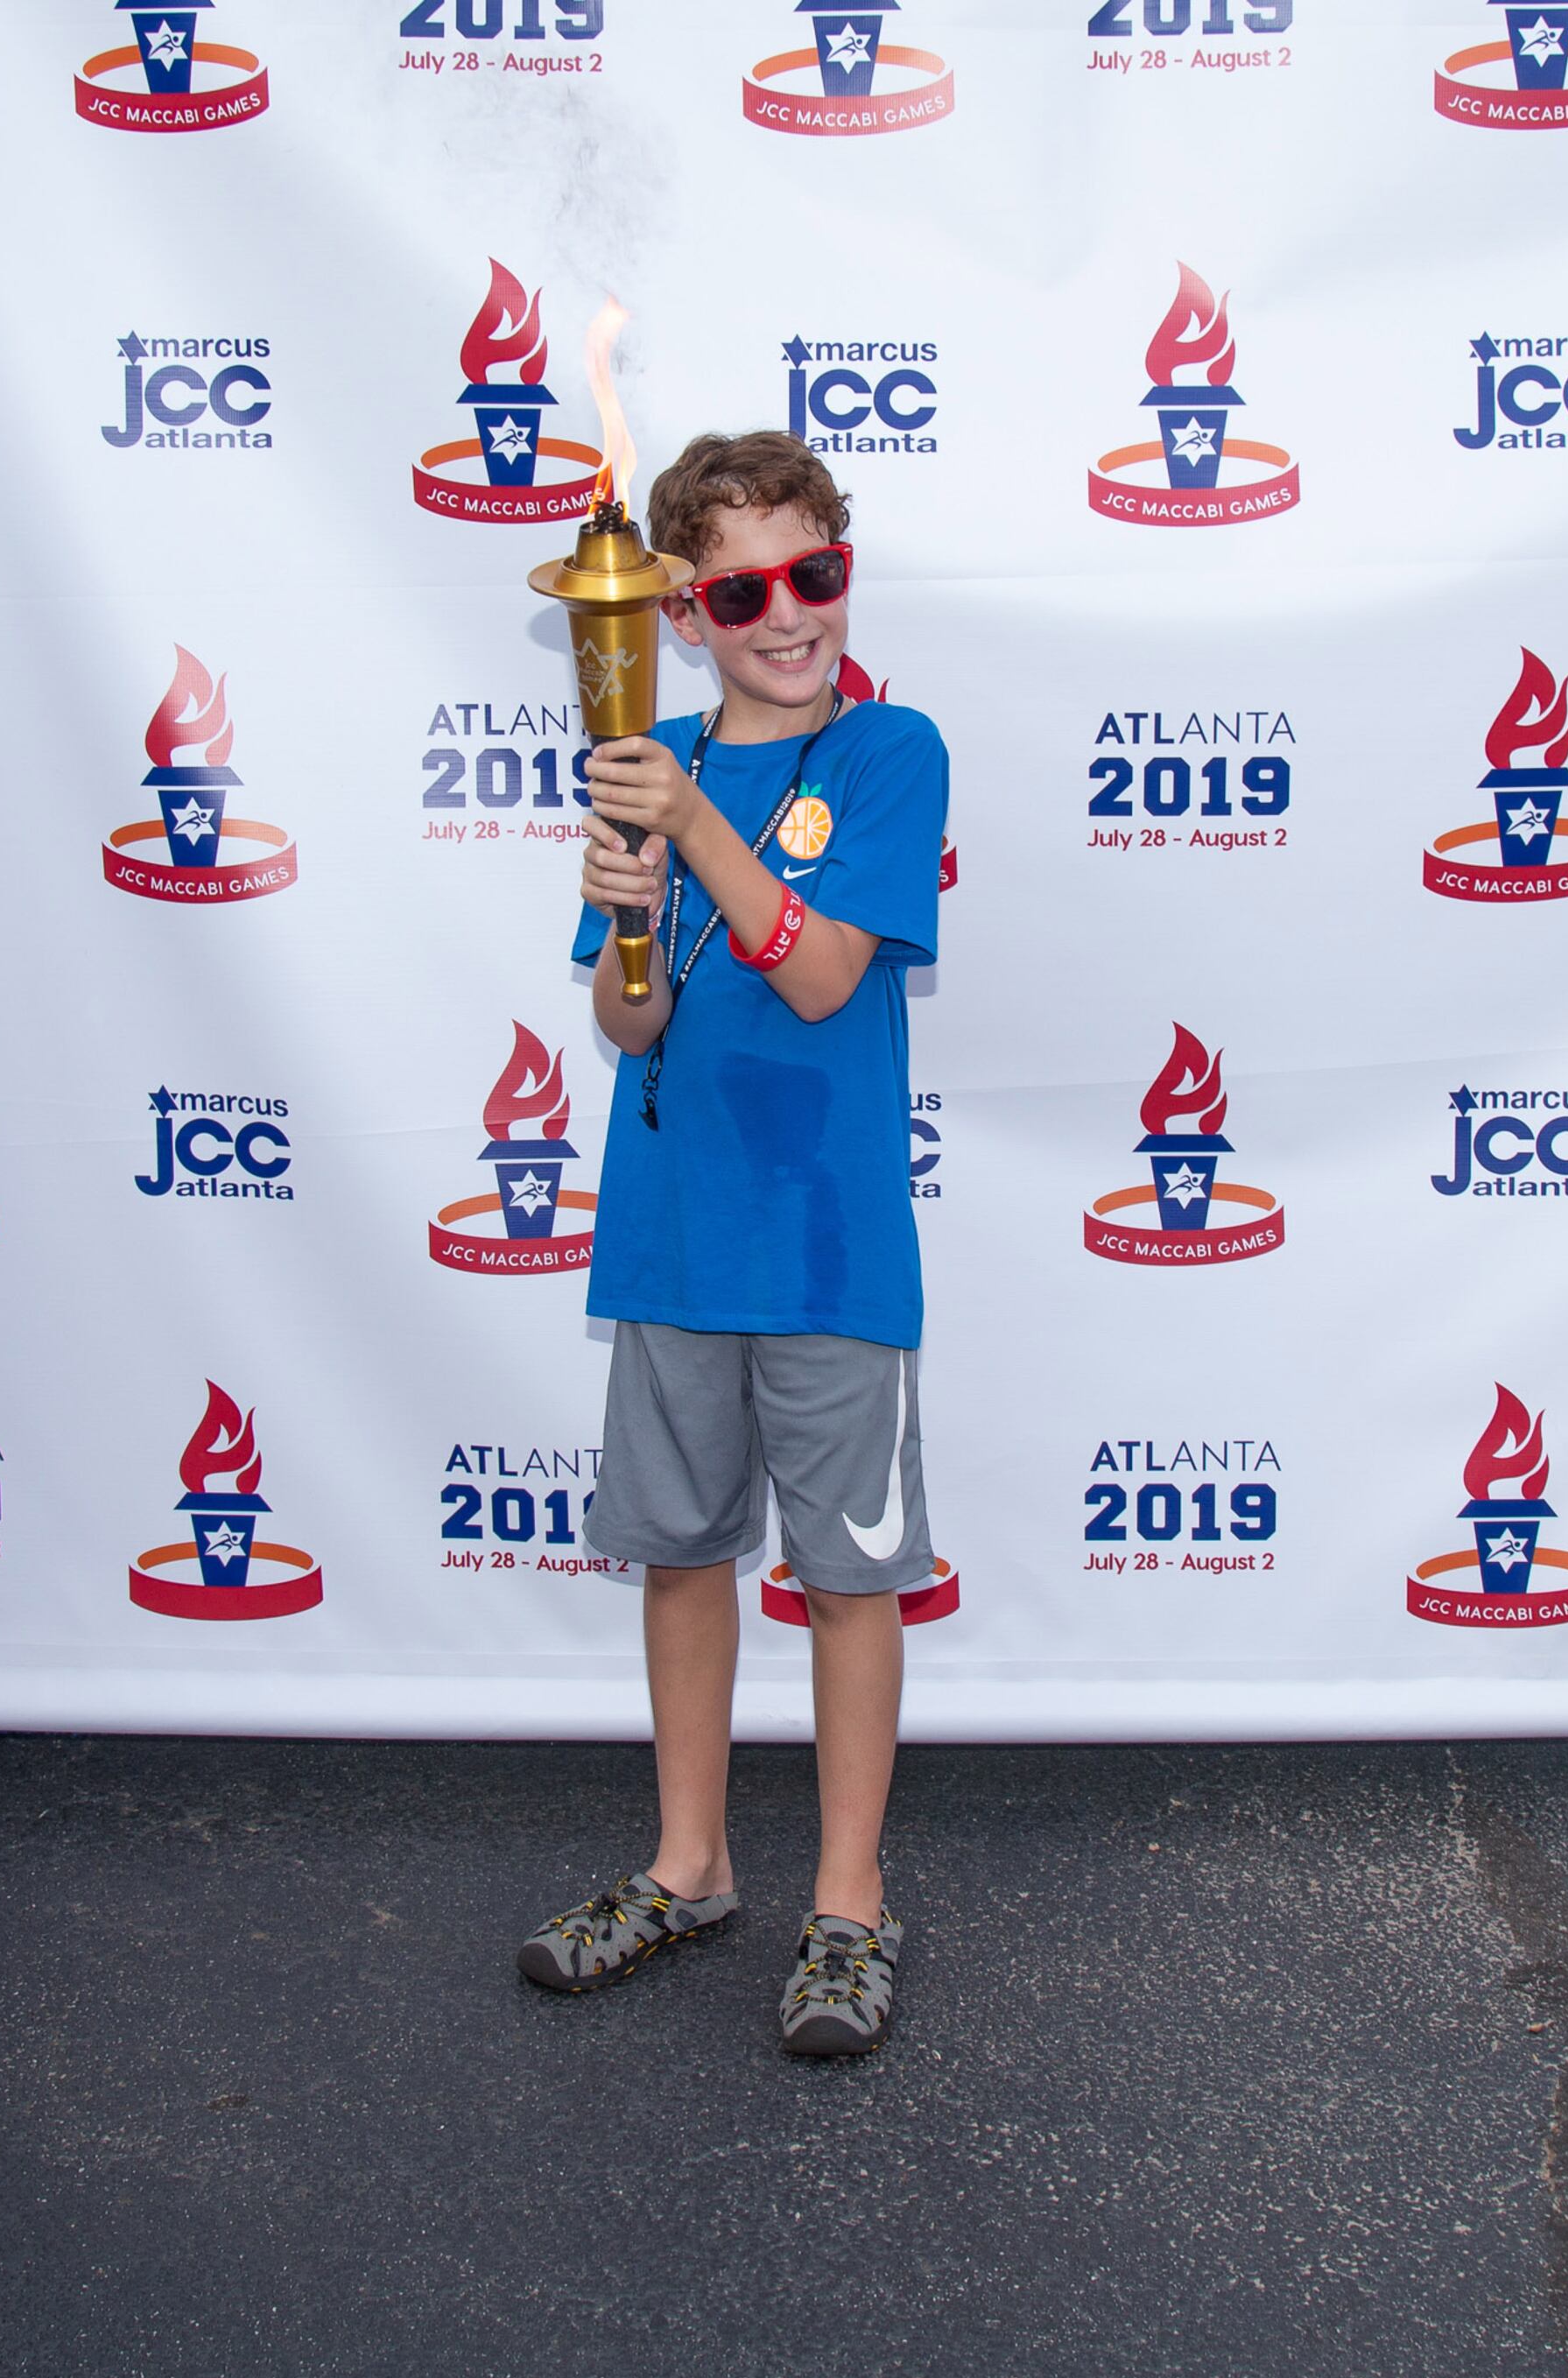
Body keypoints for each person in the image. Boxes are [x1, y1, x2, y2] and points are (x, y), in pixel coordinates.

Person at [519, 430, 946, 2059]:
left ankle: (850, 1901)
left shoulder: (893, 750)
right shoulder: (658, 759)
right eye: (748, 591)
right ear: (687, 614)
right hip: (676, 1237)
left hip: (834, 1252)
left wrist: (687, 820)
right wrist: (626, 890)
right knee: (682, 1555)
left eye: (814, 574)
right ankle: (689, 1868)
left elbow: (826, 973)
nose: (791, 615)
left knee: (848, 1582)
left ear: (845, 570)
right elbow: (632, 1022)